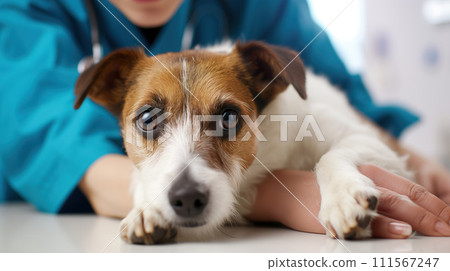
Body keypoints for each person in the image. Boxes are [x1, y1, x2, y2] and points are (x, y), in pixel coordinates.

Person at [1, 0, 449, 239]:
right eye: (151, 120)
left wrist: (407, 158)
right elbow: (46, 134)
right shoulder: (21, 11)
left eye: (228, 120)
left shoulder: (265, 16)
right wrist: (273, 196)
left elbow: (338, 93)